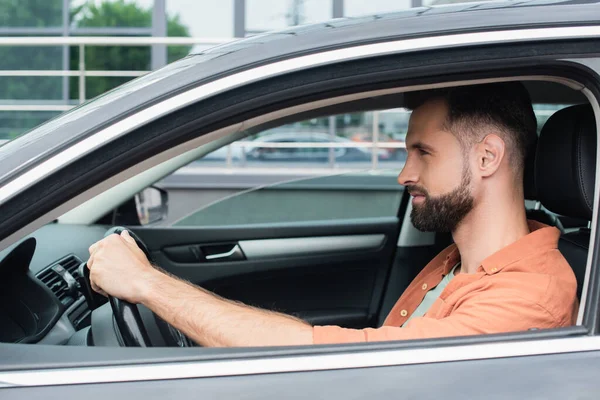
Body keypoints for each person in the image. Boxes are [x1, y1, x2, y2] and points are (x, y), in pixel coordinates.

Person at [87, 82, 578, 347]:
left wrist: (148, 284)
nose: (404, 174)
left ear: (488, 158)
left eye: (423, 153)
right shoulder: (455, 262)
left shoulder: (529, 294)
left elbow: (340, 361)